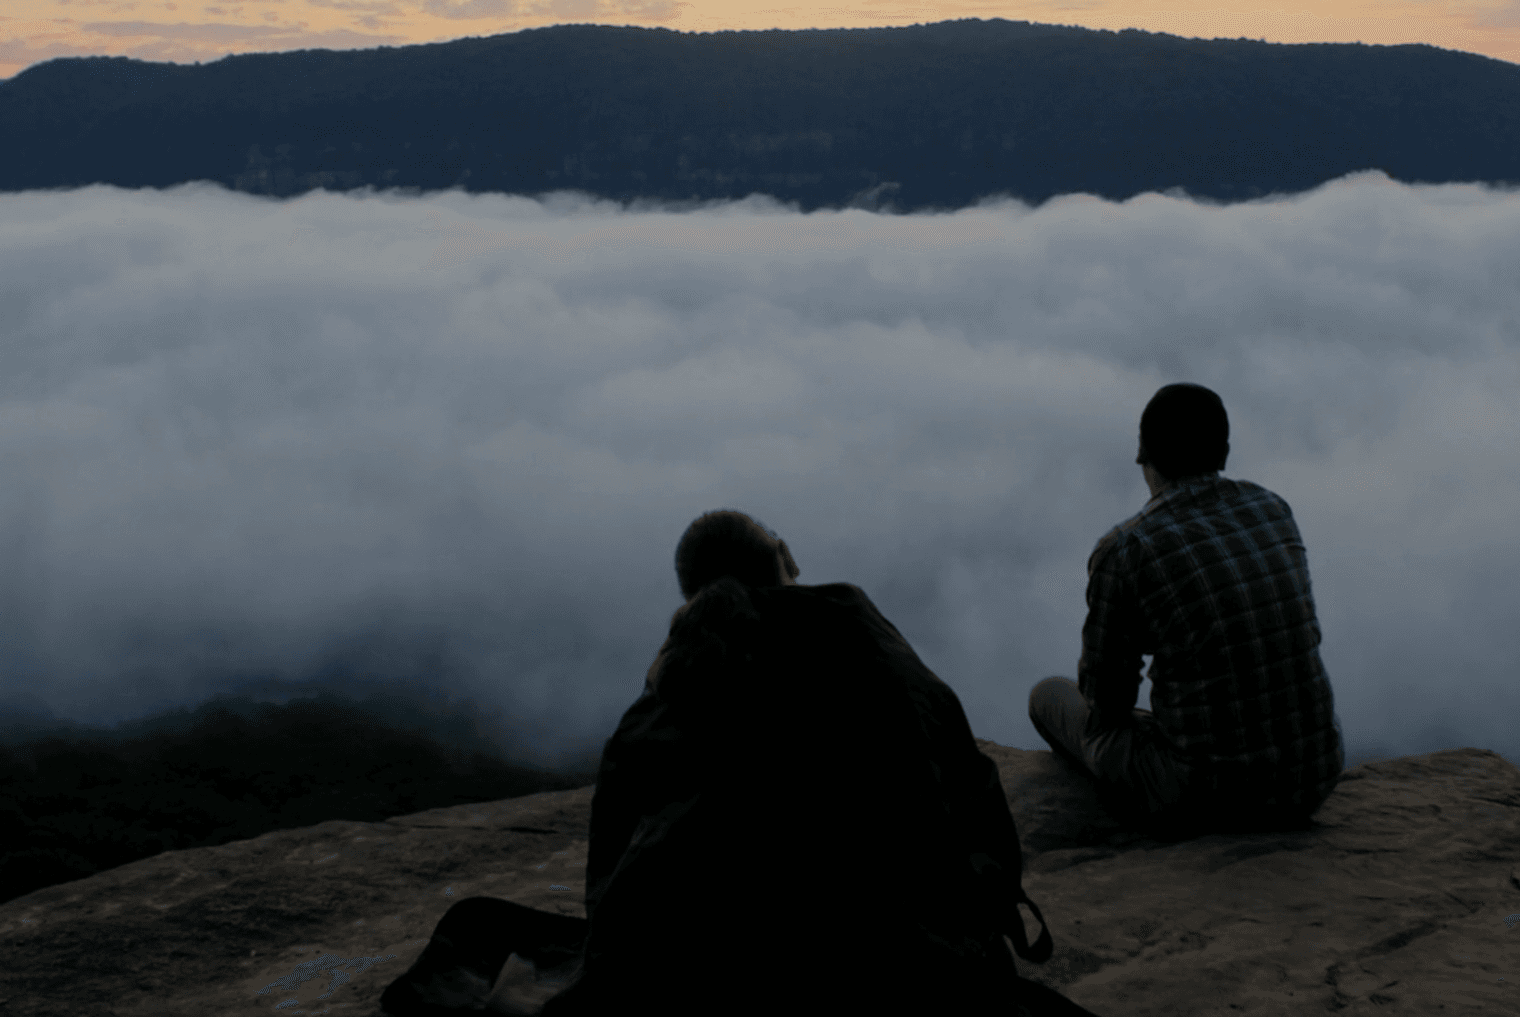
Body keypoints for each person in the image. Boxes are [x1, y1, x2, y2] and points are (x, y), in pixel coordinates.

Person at [384, 510, 1095, 1017]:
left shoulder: (669, 689)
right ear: (784, 555)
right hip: (907, 956)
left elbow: (612, 879)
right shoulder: (870, 645)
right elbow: (971, 792)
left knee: (483, 931)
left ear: (689, 594)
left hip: (710, 972)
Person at [1028, 383, 1344, 840]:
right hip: (1313, 778)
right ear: (1225, 451)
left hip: (1206, 798)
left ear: (1143, 455)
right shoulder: (1272, 508)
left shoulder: (1127, 549)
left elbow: (1107, 700)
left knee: (1049, 697)